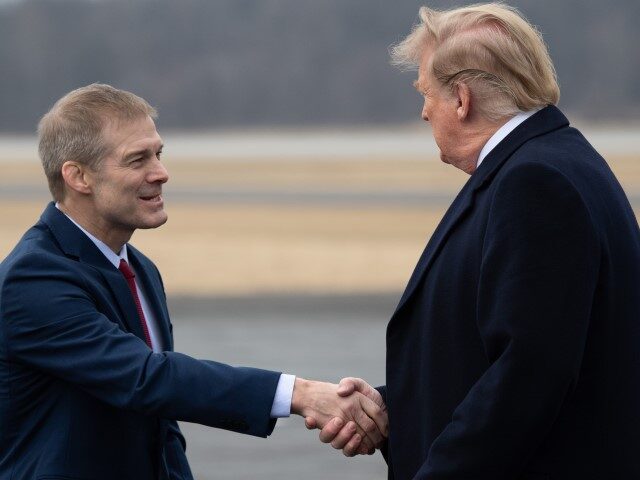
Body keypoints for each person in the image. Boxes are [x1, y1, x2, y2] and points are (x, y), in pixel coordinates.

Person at [312, 3, 640, 478]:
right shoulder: (552, 160)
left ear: (461, 98)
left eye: (426, 94)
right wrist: (392, 411)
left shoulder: (536, 182)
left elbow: (528, 378)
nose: (424, 112)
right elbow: (496, 353)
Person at [0, 83, 387, 480]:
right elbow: (146, 379)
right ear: (78, 176)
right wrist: (299, 394)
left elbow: (161, 424)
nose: (161, 173)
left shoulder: (140, 269)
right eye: (137, 160)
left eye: (159, 153)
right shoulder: (33, 279)